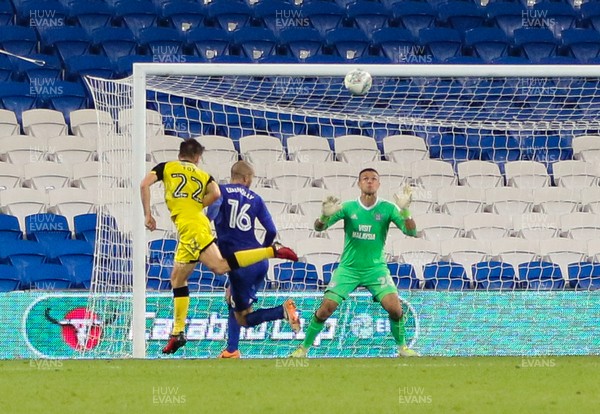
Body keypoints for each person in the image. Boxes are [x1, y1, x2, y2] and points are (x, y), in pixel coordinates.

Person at [140, 139, 298, 355]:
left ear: (181, 153)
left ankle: (274, 252)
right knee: (178, 279)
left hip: (199, 232)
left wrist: (149, 214)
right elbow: (216, 196)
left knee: (223, 273)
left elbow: (144, 184)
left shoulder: (167, 166)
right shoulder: (209, 178)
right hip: (245, 255)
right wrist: (198, 208)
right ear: (197, 157)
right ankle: (179, 333)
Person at [289, 168, 420, 358]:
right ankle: (304, 348)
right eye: (365, 178)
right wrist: (324, 216)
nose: (369, 181)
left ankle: (402, 348)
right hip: (349, 269)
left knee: (395, 308)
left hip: (375, 269)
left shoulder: (388, 208)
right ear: (359, 184)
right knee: (326, 308)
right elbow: (319, 228)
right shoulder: (348, 207)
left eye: (373, 179)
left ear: (378, 184)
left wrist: (405, 211)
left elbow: (411, 232)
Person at [206, 160, 300, 359]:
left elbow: (212, 210)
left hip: (238, 262)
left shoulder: (220, 191)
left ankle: (281, 311)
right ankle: (231, 350)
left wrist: (207, 225)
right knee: (234, 302)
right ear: (247, 178)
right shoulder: (256, 198)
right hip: (259, 260)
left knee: (243, 318)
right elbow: (272, 230)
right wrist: (264, 249)